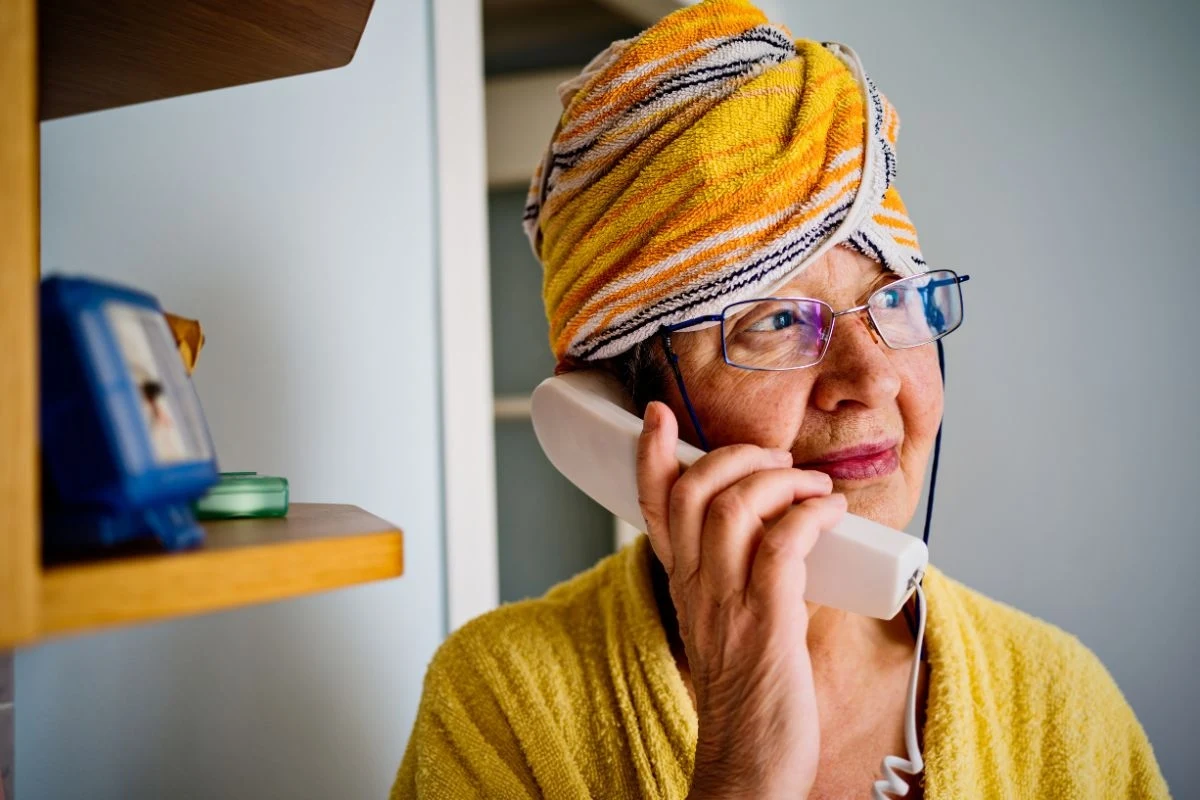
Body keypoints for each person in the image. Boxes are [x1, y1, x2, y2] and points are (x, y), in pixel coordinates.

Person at [393, 1, 1169, 796]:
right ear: (625, 407)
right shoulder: (500, 702)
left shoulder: (1062, 704)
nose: (872, 379)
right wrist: (743, 761)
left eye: (896, 301)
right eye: (775, 321)